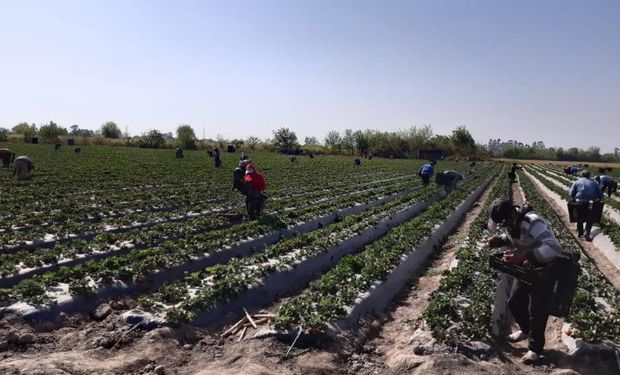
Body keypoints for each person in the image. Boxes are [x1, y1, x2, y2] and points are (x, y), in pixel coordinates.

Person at [487, 198, 565, 364]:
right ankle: (525, 329)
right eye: (502, 225)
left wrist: (525, 255)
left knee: (537, 310)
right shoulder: (511, 223)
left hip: (545, 269)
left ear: (513, 213)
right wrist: (500, 241)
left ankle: (535, 349)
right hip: (527, 267)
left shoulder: (533, 222)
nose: (505, 226)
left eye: (505, 222)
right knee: (514, 302)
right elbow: (517, 238)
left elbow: (554, 248)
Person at [568, 170, 603, 241]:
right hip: (591, 202)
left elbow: (571, 194)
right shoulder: (594, 183)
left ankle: (580, 233)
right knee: (590, 217)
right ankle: (587, 233)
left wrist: (574, 197)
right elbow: (601, 195)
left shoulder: (577, 182)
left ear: (581, 175)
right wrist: (597, 199)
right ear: (589, 176)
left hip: (580, 202)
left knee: (579, 216)